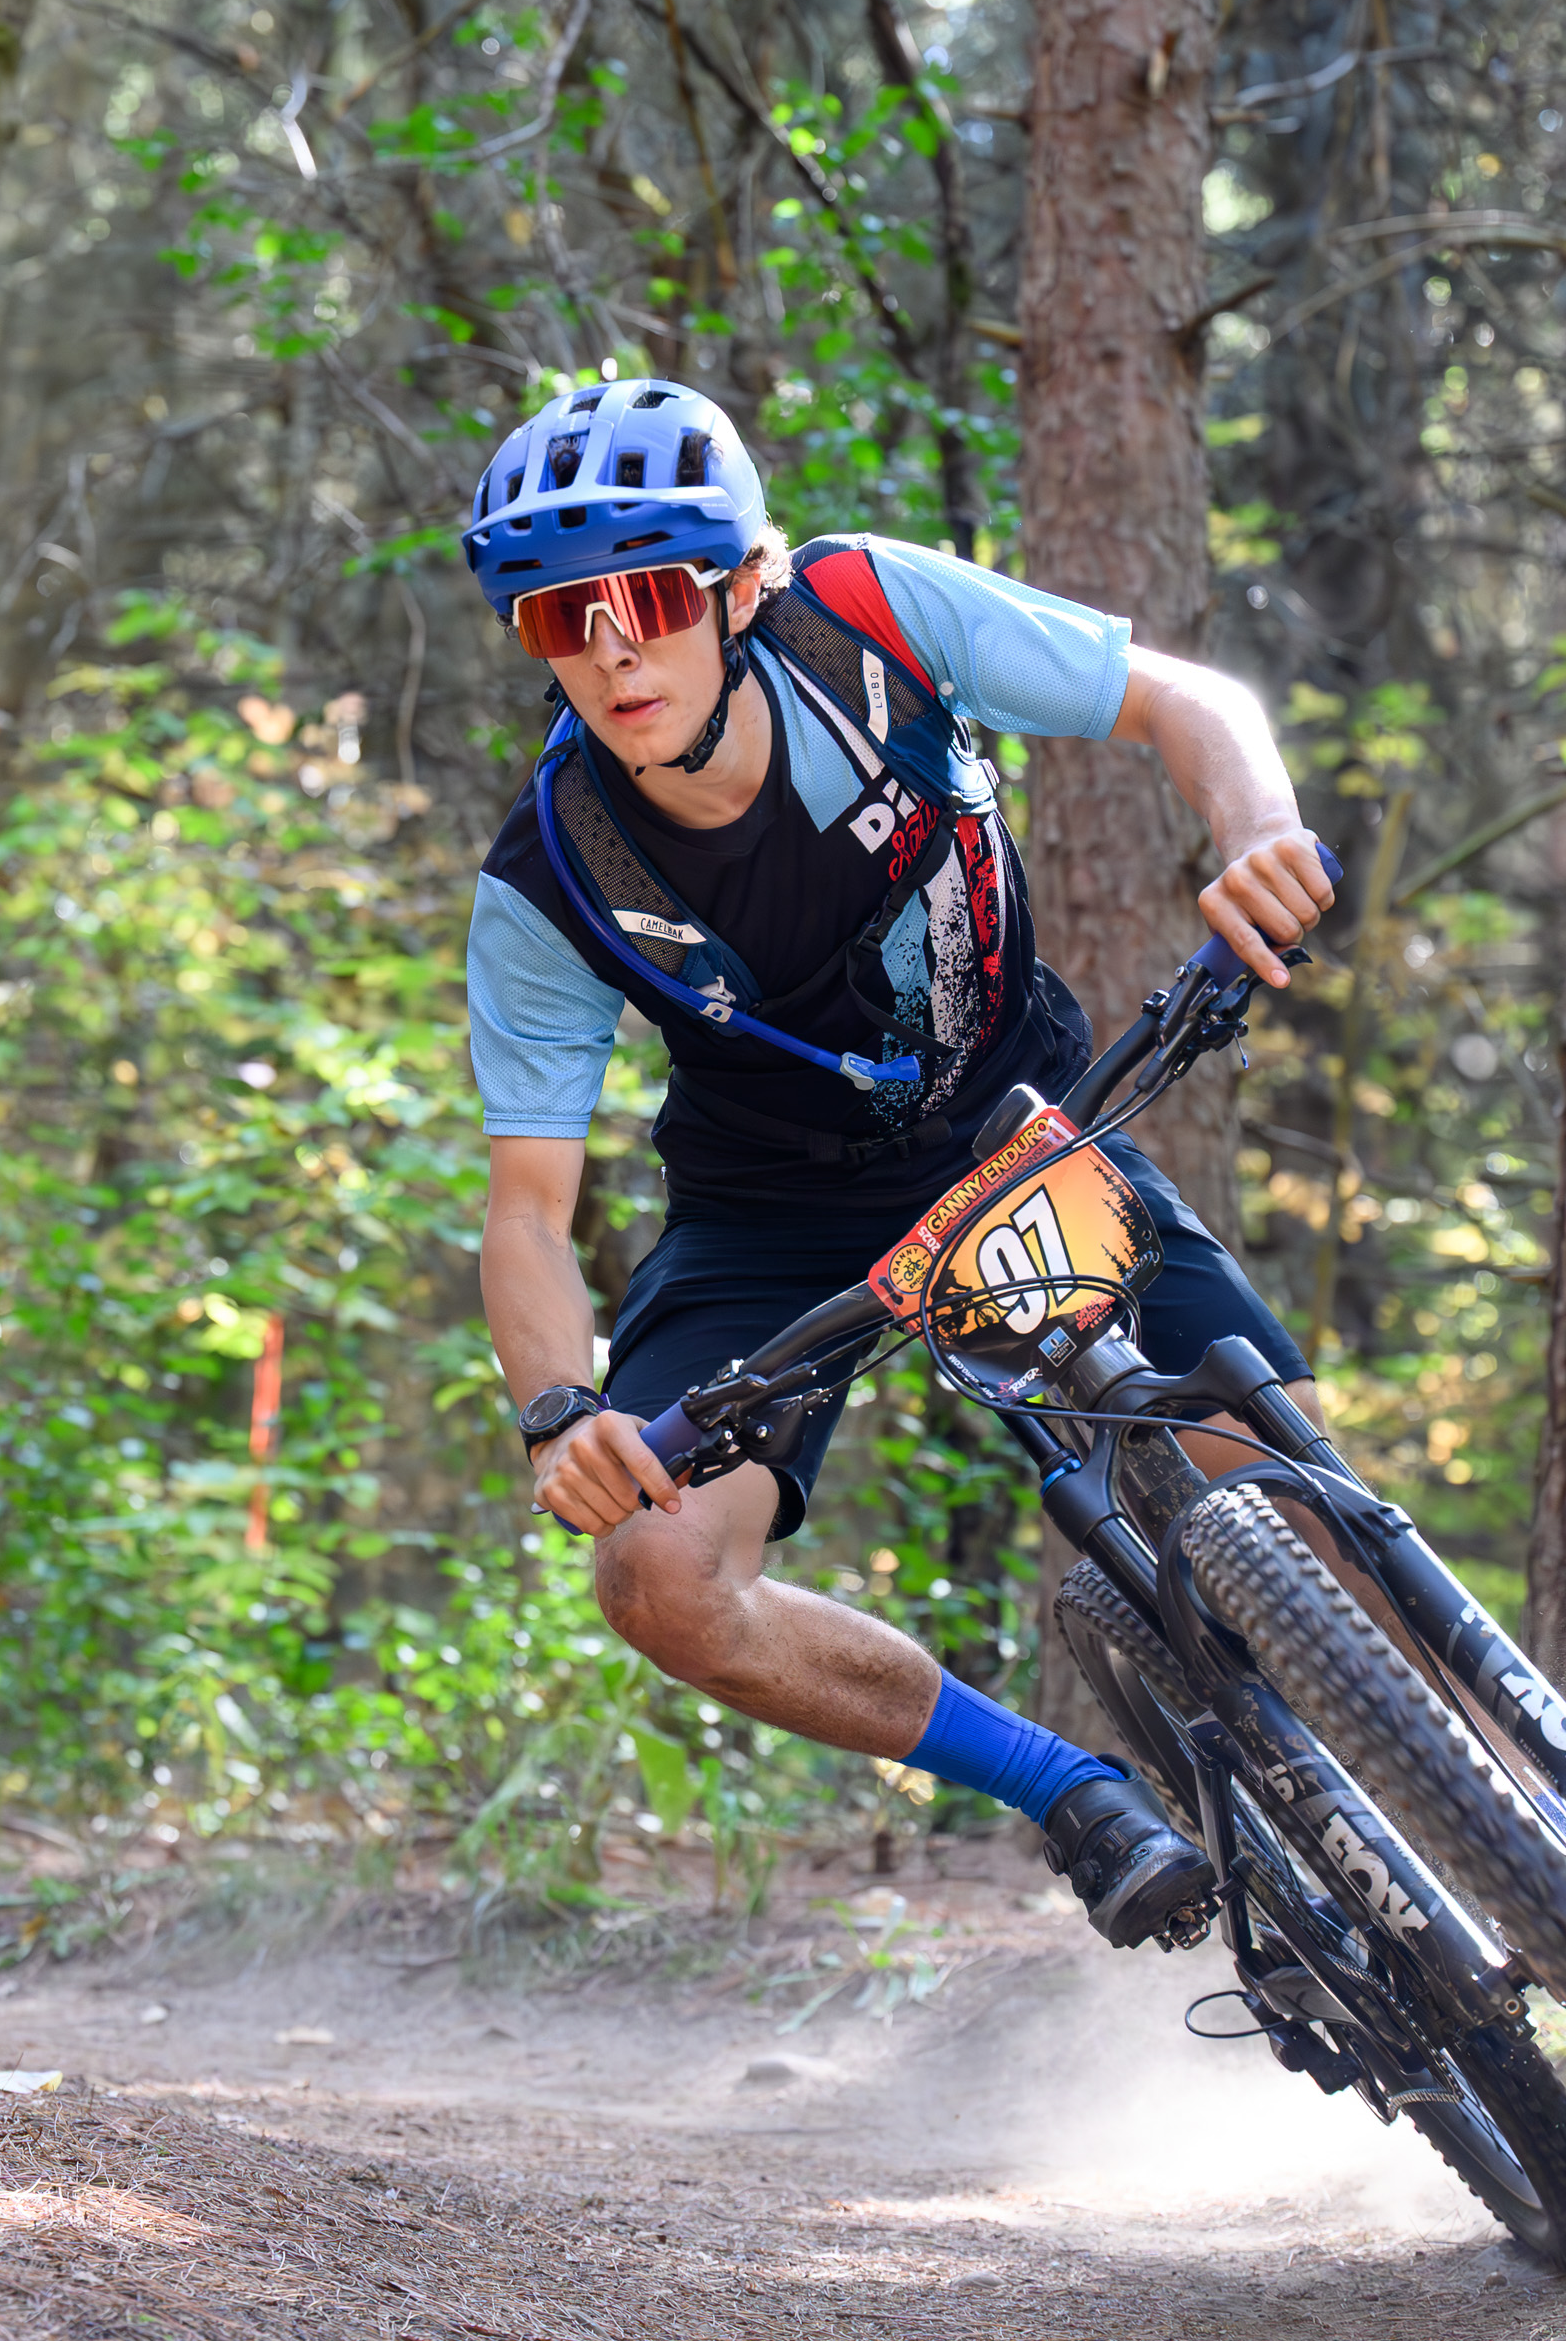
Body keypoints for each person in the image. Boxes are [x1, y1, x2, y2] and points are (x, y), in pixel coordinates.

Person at [463, 378, 1338, 1948]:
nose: (610, 653)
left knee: (1299, 1505)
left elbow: (1185, 703)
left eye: (648, 599)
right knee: (659, 1577)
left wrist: (1257, 829)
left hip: (1010, 1126)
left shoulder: (868, 619)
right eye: (556, 619)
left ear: (743, 587)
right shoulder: (554, 870)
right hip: (770, 1211)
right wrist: (558, 1412)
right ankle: (1072, 1792)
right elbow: (529, 1211)